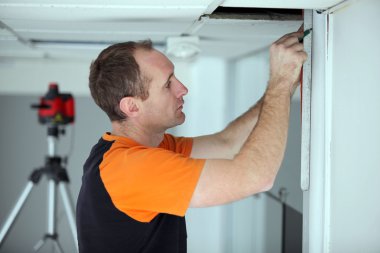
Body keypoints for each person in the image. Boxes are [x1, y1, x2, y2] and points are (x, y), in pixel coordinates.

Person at [76, 28, 307, 253]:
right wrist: (280, 83)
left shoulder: (146, 148)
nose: (183, 89)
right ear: (132, 106)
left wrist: (285, 83)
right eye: (168, 84)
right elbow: (256, 178)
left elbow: (226, 144)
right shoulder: (130, 168)